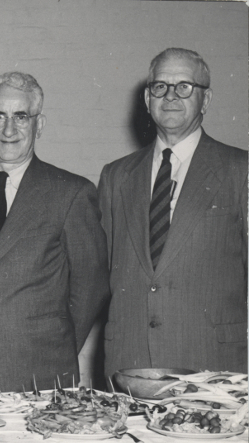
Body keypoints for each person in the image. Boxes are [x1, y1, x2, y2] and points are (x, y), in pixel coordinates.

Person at [0, 72, 109, 392]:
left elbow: (92, 284)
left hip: (36, 369)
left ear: (39, 124)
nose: (9, 129)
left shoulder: (71, 193)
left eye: (21, 117)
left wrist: (54, 343)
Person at [99, 48, 247, 375]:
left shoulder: (240, 170)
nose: (170, 96)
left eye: (184, 87)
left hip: (213, 365)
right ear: (147, 98)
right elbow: (102, 272)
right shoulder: (116, 175)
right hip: (129, 364)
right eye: (160, 87)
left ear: (205, 100)